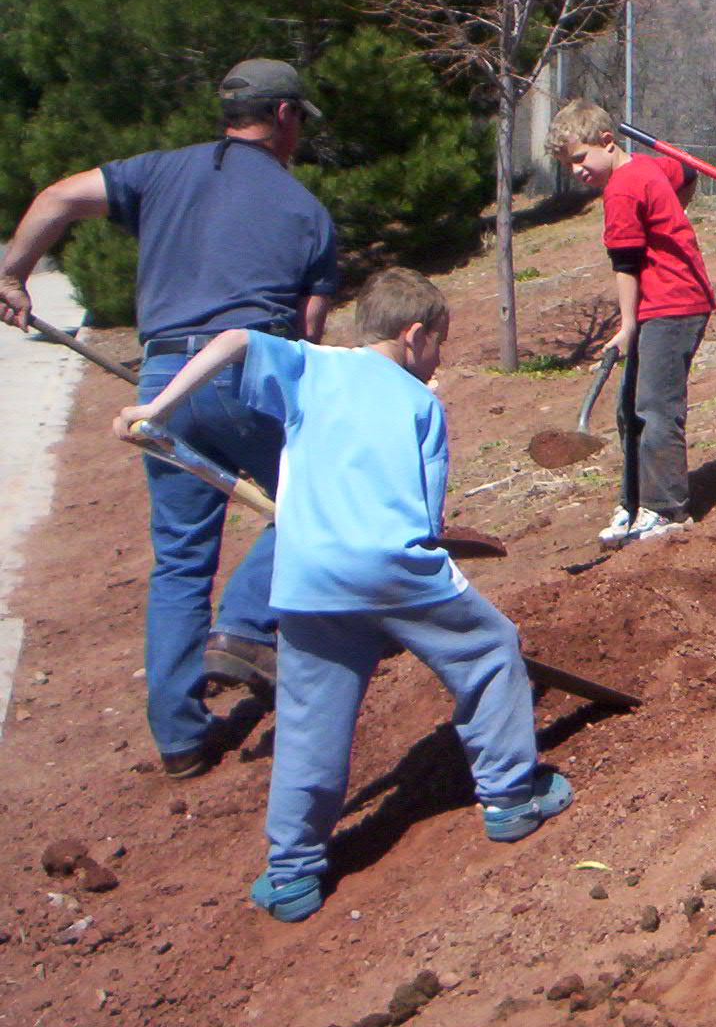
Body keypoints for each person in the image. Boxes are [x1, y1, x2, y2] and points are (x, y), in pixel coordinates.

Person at [113, 269, 573, 921]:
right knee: (492, 649)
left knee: (308, 720)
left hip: (306, 577)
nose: (439, 360)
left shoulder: (310, 368)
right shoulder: (422, 403)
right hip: (394, 566)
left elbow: (235, 340)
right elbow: (428, 514)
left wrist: (156, 409)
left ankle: (292, 872)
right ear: (414, 337)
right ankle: (509, 799)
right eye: (439, 345)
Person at [0, 59, 338, 777]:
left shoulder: (158, 172)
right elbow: (308, 335)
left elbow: (58, 196)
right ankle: (247, 626)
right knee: (320, 494)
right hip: (250, 372)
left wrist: (11, 273)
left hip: (165, 384)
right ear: (282, 117)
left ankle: (181, 739)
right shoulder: (306, 210)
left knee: (182, 558)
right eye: (298, 120)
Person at [549, 100, 716, 547]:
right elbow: (687, 171)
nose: (577, 171)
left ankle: (666, 511)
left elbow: (626, 262)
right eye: (569, 165)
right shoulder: (645, 168)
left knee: (655, 409)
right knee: (629, 410)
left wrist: (626, 326)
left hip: (672, 304)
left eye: (581, 159)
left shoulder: (623, 189)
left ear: (607, 141)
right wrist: (669, 217)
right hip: (665, 302)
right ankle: (633, 503)